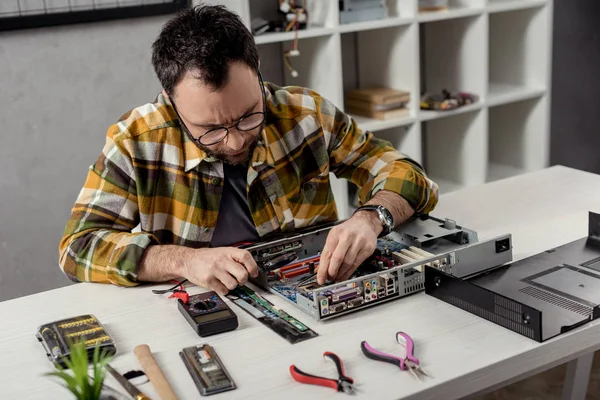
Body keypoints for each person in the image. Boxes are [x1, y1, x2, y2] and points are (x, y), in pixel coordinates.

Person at [58, 4, 439, 295]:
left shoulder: (305, 114)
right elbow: (78, 247)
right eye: (210, 130)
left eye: (247, 116)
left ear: (257, 69)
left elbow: (407, 174)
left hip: (316, 291)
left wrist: (371, 219)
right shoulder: (136, 140)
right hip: (207, 312)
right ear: (169, 101)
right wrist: (184, 260)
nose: (236, 140)